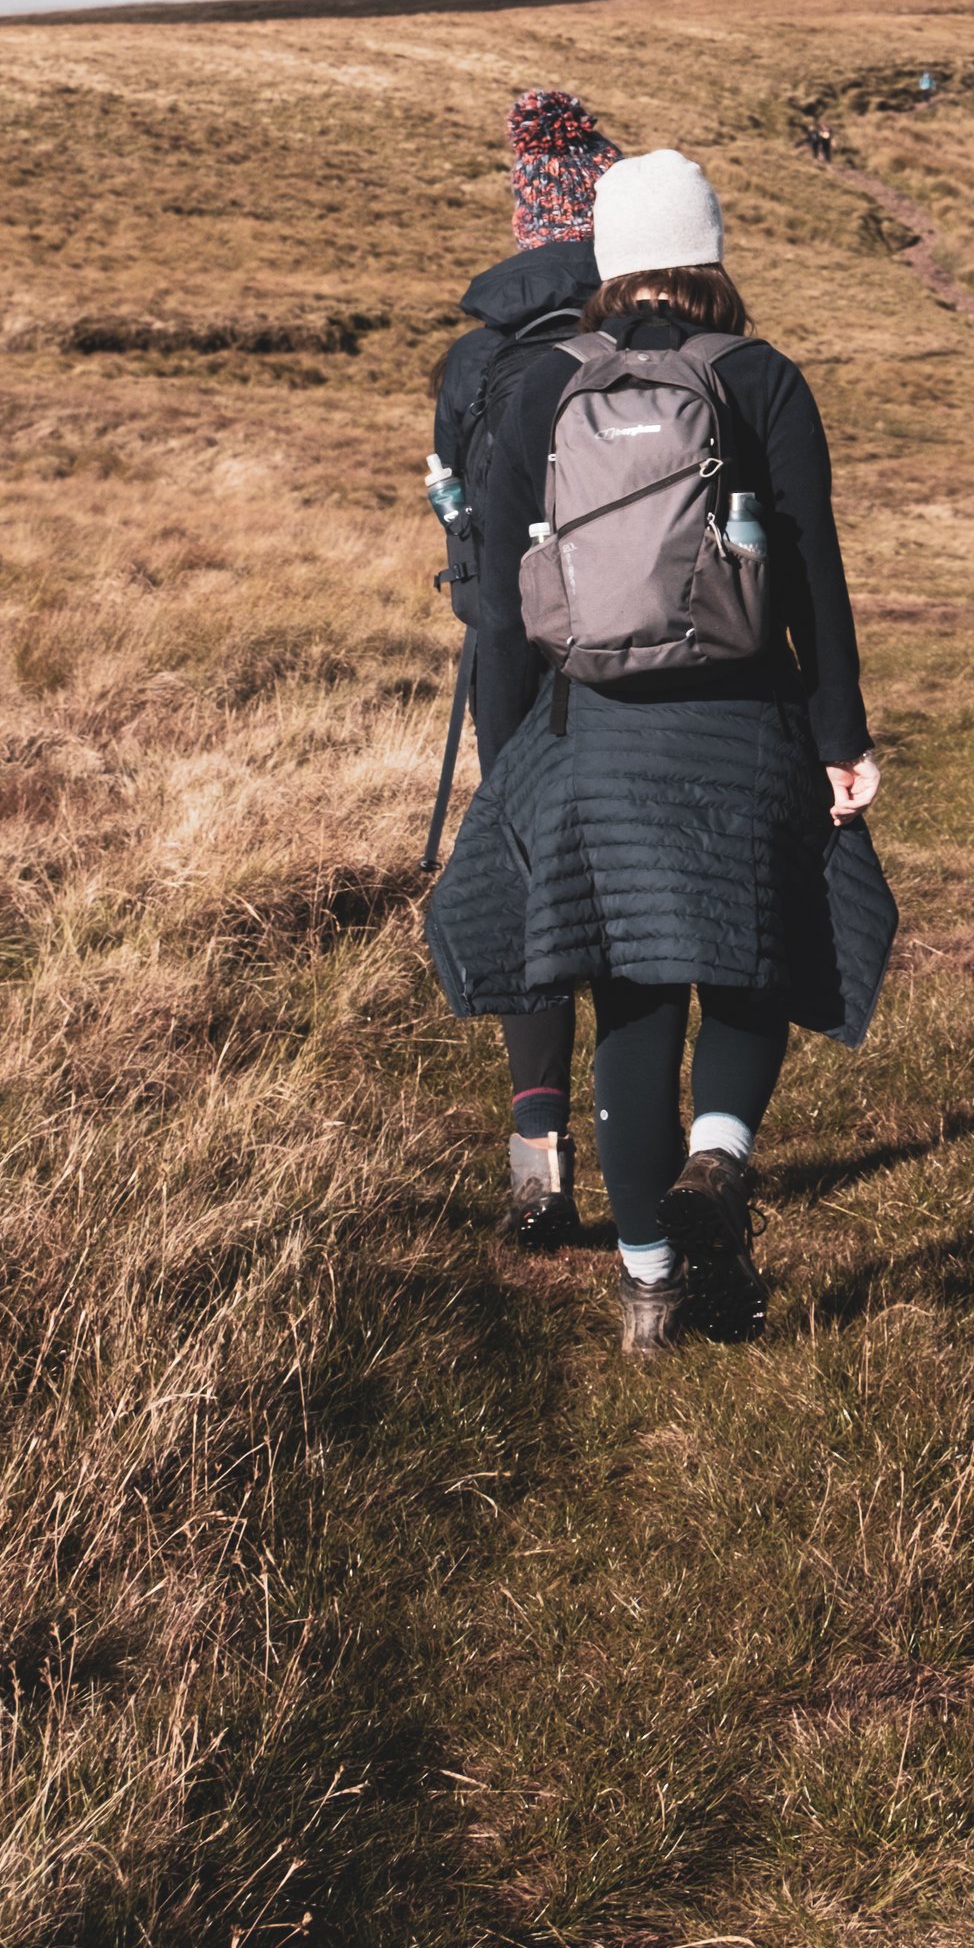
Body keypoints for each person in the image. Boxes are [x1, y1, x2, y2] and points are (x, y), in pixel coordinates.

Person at [424, 148, 885, 1353]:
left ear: (604, 257)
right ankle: (719, 1162)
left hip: (599, 738)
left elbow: (509, 604)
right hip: (746, 722)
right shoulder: (762, 378)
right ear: (713, 250)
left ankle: (647, 1287)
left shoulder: (541, 388)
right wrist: (840, 735)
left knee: (631, 996)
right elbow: (813, 576)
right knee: (751, 966)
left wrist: (525, 763)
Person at [429, 87, 620, 1249]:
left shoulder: (471, 365)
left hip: (511, 662)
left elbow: (454, 524)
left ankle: (536, 1157)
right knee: (634, 889)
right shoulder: (642, 345)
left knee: (542, 885)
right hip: (639, 658)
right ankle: (652, 1143)